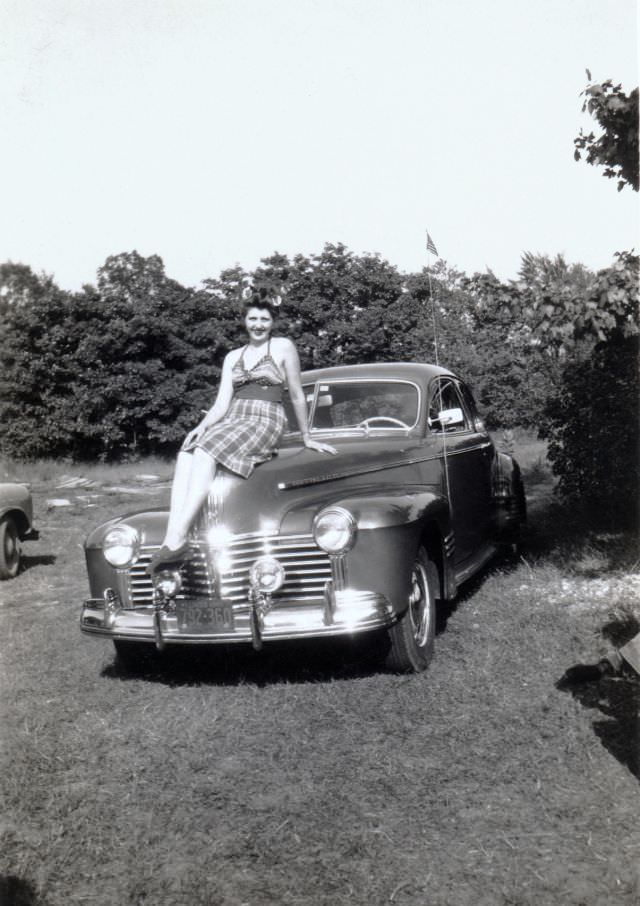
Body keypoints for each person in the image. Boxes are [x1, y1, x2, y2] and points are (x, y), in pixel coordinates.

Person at [147, 289, 336, 573]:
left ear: (272, 322)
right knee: (187, 453)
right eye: (252, 319)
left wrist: (307, 436)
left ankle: (178, 536)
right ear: (244, 320)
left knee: (206, 451)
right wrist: (200, 427)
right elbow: (221, 403)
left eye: (264, 319)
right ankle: (172, 537)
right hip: (234, 417)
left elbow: (296, 394)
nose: (258, 325)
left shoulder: (283, 347)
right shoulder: (233, 356)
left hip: (265, 418)